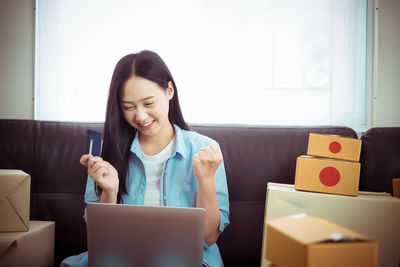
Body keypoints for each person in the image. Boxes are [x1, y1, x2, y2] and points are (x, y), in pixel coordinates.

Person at [61, 50, 230, 267]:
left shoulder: (206, 150)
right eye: (128, 107)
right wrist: (109, 191)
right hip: (121, 259)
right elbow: (101, 239)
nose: (140, 116)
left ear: (170, 91)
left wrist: (206, 179)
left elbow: (209, 237)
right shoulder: (106, 154)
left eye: (149, 103)